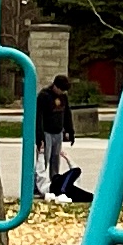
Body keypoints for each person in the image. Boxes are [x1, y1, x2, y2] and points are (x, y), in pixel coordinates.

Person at [35, 72, 85, 202]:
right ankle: (38, 185)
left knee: (55, 159)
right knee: (44, 158)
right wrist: (39, 137)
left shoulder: (63, 97)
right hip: (46, 132)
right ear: (55, 86)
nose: (62, 92)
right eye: (61, 89)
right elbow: (38, 117)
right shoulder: (44, 96)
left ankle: (54, 182)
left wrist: (70, 130)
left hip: (58, 132)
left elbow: (66, 113)